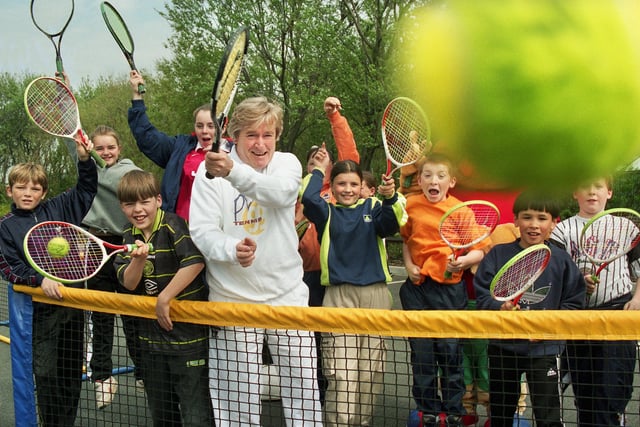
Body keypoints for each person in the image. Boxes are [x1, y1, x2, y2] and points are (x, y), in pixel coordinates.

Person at [189, 96, 323, 426]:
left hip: (287, 296)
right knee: (236, 401)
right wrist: (230, 249)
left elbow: (279, 194)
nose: (261, 144)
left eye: (268, 135)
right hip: (232, 300)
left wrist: (233, 172)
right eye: (252, 135)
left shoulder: (288, 164)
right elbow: (202, 232)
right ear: (234, 136)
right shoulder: (208, 176)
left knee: (304, 391)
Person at [301, 146, 405, 426]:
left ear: (362, 186)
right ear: (332, 187)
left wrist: (389, 197)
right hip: (338, 297)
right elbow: (308, 198)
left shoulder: (373, 207)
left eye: (354, 184)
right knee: (340, 372)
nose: (348, 189)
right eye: (341, 184)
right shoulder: (327, 213)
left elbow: (391, 224)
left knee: (370, 372)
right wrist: (319, 170)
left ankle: (362, 422)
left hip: (375, 297)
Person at [0, 138, 97, 426]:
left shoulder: (59, 209)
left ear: (43, 193)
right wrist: (38, 280)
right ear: (10, 190)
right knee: (46, 376)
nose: (28, 193)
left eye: (35, 188)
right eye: (21, 187)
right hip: (37, 314)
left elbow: (87, 188)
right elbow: (8, 267)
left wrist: (84, 159)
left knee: (70, 375)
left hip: (72, 306)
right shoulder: (6, 227)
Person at [474, 191, 586, 427]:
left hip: (544, 351)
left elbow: (574, 302)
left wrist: (547, 327)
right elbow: (483, 295)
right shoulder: (498, 254)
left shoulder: (562, 260)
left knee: (548, 415)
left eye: (542, 218)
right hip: (503, 347)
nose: (534, 225)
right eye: (527, 217)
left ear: (555, 223)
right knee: (501, 412)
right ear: (515, 220)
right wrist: (499, 306)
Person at [113, 170, 213, 426]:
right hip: (150, 343)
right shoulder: (128, 234)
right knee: (162, 416)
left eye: (144, 201)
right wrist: (139, 260)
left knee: (196, 416)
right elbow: (129, 281)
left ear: (158, 200)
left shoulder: (172, 223)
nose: (138, 209)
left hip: (189, 339)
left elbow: (195, 261)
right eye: (129, 204)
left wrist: (164, 298)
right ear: (122, 207)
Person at [399, 153, 492, 427]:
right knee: (423, 355)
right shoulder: (411, 205)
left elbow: (479, 251)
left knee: (451, 355)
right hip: (417, 290)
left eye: (440, 176)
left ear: (450, 181)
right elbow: (406, 241)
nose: (433, 181)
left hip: (450, 291)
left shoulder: (461, 210)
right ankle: (427, 410)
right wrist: (408, 265)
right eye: (427, 175)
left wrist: (463, 261)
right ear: (419, 179)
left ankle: (453, 411)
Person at [549, 177, 640, 426]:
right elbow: (556, 274)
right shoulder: (562, 230)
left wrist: (637, 298)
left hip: (616, 315)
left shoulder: (626, 227)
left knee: (613, 389)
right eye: (585, 186)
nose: (591, 191)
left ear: (609, 193)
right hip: (579, 320)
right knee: (585, 392)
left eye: (598, 186)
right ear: (574, 193)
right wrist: (578, 282)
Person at [80, 125, 144, 408]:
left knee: (133, 315)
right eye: (100, 147)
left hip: (124, 245)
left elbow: (113, 178)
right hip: (95, 245)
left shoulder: (127, 171)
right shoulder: (87, 169)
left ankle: (144, 372)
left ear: (120, 150)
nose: (106, 152)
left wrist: (88, 157)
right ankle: (103, 378)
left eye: (111, 147)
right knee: (101, 316)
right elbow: (80, 150)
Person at [128, 70, 232, 220]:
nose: (204, 131)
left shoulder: (235, 152)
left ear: (223, 127)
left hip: (220, 230)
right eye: (199, 126)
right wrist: (137, 97)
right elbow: (146, 136)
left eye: (211, 126)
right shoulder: (180, 147)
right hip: (179, 231)